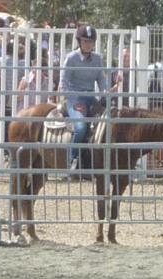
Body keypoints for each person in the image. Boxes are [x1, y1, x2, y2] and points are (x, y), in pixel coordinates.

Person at [60, 25, 116, 171]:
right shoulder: (71, 58)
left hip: (91, 97)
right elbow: (63, 84)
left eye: (91, 41)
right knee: (81, 127)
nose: (88, 44)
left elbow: (101, 80)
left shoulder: (97, 59)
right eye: (85, 41)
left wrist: (107, 90)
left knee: (110, 120)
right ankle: (72, 160)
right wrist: (74, 101)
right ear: (79, 41)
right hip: (74, 98)